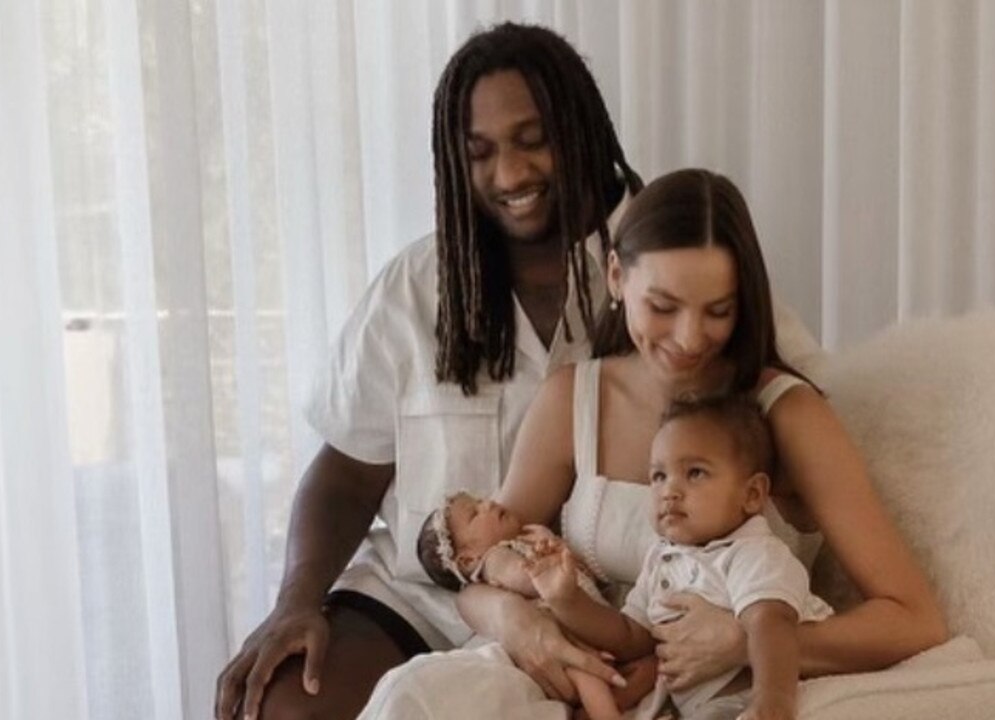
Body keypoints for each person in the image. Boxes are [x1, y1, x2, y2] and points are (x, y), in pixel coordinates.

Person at [213, 22, 828, 720]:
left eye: (533, 140)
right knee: (288, 706)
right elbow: (347, 473)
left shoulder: (672, 260)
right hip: (425, 597)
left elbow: (785, 406)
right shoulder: (415, 286)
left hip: (603, 609)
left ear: (584, 129)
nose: (509, 175)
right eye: (479, 153)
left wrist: (754, 608)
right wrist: (294, 603)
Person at [352, 169, 947, 720]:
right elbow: (483, 564)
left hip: (730, 692)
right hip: (583, 679)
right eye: (663, 306)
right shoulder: (574, 399)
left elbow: (913, 619)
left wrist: (746, 641)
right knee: (414, 697)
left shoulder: (786, 416)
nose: (690, 338)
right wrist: (513, 620)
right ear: (616, 277)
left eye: (718, 311)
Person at [526, 393, 833, 720]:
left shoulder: (754, 553)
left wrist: (773, 705)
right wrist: (567, 600)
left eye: (695, 473)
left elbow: (772, 628)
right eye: (658, 476)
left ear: (752, 494)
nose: (669, 490)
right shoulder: (663, 558)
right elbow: (632, 637)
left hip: (752, 697)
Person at [415, 491, 657, 719]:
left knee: (620, 673)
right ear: (468, 559)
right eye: (475, 513)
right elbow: (527, 578)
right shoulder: (496, 557)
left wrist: (557, 549)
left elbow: (584, 578)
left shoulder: (525, 541)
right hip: (560, 634)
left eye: (480, 500)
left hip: (587, 623)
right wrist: (544, 562)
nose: (487, 504)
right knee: (589, 678)